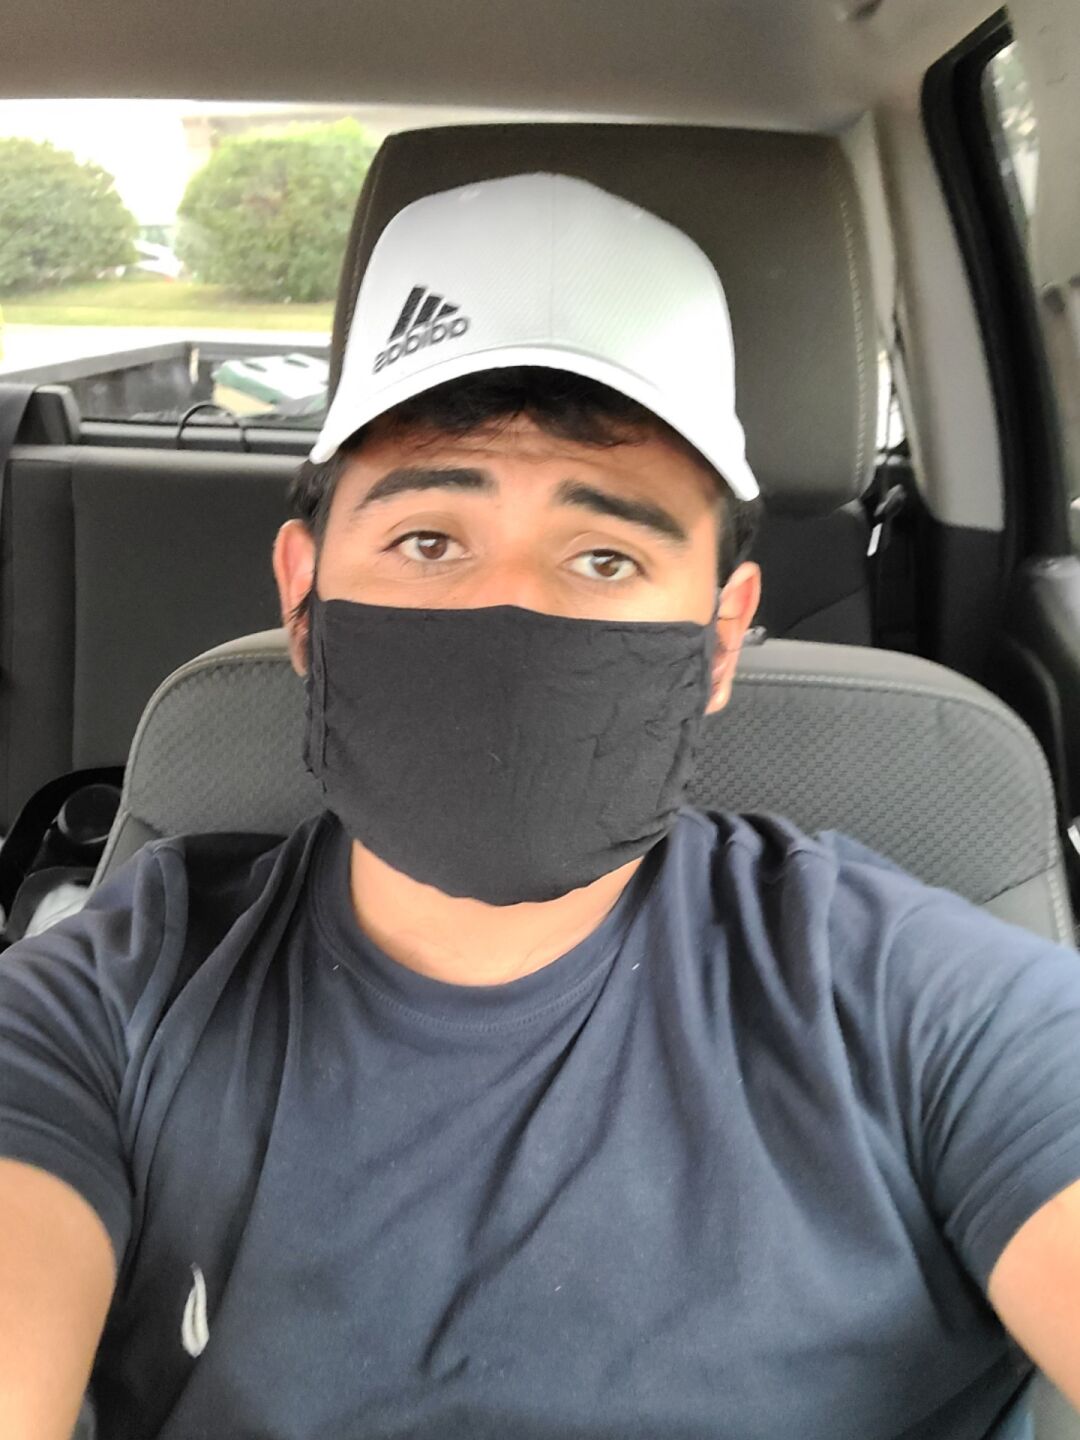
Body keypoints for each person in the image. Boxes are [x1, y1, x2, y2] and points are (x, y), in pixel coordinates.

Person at [1, 172, 1079, 1440]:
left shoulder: (913, 999)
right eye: (429, 541)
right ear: (302, 597)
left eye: (605, 557)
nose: (508, 612)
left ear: (720, 636)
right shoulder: (103, 1007)